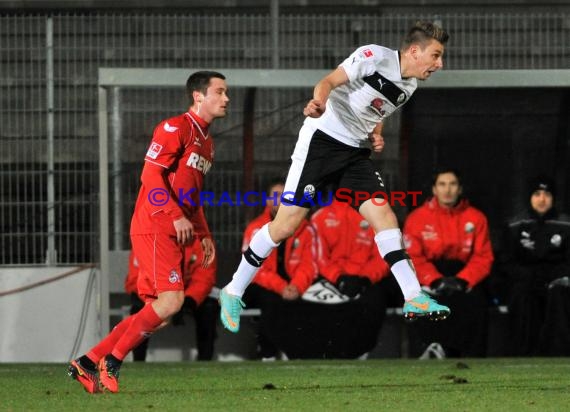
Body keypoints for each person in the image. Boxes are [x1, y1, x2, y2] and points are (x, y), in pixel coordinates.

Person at [219, 21, 451, 333]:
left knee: (384, 216)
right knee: (285, 225)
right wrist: (320, 102)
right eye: (435, 56)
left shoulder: (409, 87)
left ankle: (414, 295)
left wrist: (376, 134)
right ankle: (233, 290)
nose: (440, 64)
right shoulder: (373, 57)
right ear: (414, 51)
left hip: (354, 153)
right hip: (321, 142)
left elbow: (377, 111)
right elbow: (327, 81)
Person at [68, 71, 228, 393]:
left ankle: (86, 363)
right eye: (220, 92)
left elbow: (191, 198)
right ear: (198, 96)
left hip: (175, 231)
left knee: (160, 312)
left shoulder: (207, 142)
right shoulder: (175, 127)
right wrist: (173, 216)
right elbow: (150, 176)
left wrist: (204, 234)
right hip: (154, 226)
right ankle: (112, 360)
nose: (226, 99)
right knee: (171, 302)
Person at [403, 168, 494, 357]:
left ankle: (472, 358)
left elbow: (483, 257)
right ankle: (433, 349)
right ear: (434, 189)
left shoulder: (476, 218)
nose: (448, 190)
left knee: (475, 302)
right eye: (442, 184)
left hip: (465, 275)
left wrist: (462, 280)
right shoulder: (417, 219)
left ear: (460, 189)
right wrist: (435, 280)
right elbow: (413, 258)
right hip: (430, 276)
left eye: (453, 184)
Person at [241, 179, 318, 359]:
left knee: (311, 303)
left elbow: (309, 264)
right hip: (264, 285)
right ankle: (268, 354)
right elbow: (254, 269)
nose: (281, 200)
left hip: (293, 286)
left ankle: (300, 353)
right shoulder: (255, 228)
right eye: (276, 196)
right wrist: (281, 287)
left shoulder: (305, 228)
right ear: (268, 201)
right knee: (270, 301)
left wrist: (296, 286)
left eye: (286, 196)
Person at [499, 176, 570, 356]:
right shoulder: (516, 224)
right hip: (525, 281)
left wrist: (559, 276)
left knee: (559, 294)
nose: (542, 199)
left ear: (553, 198)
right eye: (537, 194)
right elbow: (507, 262)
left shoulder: (565, 224)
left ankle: (559, 355)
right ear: (530, 197)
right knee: (523, 294)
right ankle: (524, 354)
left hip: (557, 281)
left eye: (546, 194)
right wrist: (528, 275)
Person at [124, 238, 218, 362]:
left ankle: (205, 361)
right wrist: (164, 301)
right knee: (139, 310)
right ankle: (138, 361)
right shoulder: (145, 238)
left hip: (187, 294)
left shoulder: (201, 240)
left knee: (209, 308)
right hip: (154, 294)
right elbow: (136, 279)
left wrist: (187, 301)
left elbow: (204, 278)